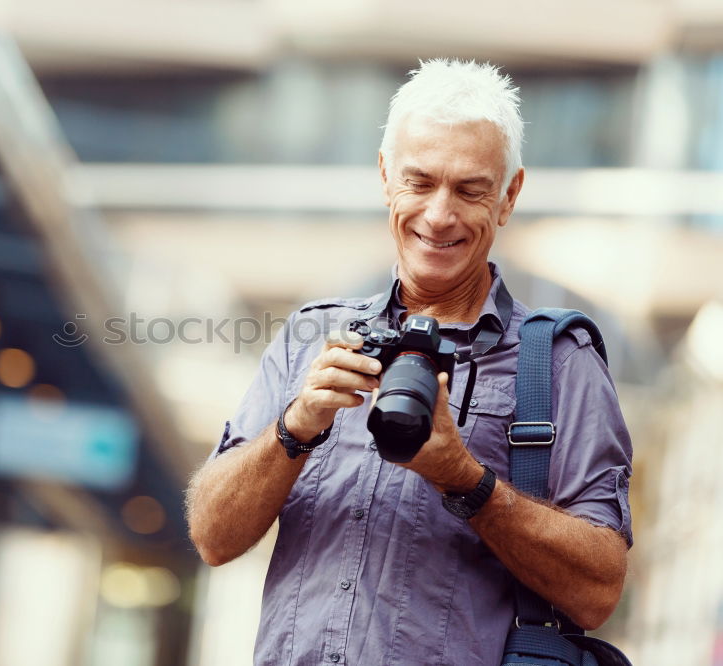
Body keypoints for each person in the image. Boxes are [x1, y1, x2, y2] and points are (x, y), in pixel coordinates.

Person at [185, 59, 633, 665]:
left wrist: (464, 479)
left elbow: (598, 590)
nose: (440, 215)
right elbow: (213, 537)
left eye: (470, 189)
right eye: (419, 183)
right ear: (385, 177)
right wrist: (294, 429)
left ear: (509, 196)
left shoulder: (558, 363)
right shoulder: (314, 334)